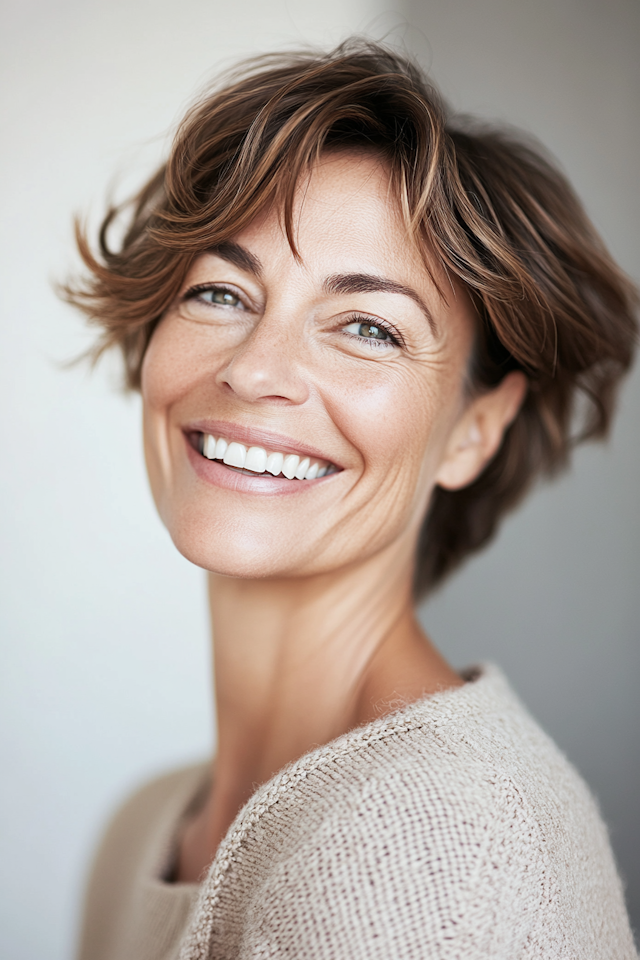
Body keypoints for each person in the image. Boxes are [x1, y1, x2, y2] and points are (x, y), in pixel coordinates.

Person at [66, 41, 638, 960]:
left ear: (474, 429)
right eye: (219, 292)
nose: (255, 369)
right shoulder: (144, 830)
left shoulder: (436, 856)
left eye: (367, 327)